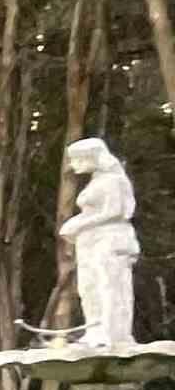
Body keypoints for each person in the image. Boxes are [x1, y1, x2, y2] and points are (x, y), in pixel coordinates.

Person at [62, 138, 140, 349]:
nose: (73, 164)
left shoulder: (114, 180)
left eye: (78, 159)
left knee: (109, 284)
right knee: (88, 287)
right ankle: (94, 330)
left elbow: (114, 212)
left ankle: (112, 332)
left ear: (92, 157)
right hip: (90, 240)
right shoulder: (97, 180)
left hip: (110, 238)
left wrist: (78, 224)